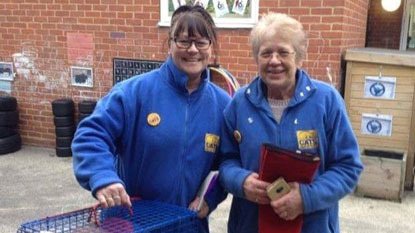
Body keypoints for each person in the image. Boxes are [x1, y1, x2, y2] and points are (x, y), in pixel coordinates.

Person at [72, 5, 231, 232]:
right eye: (184, 41)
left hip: (188, 224)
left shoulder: (222, 105)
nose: (193, 49)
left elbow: (228, 162)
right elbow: (91, 135)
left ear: (211, 47)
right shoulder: (133, 93)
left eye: (201, 42)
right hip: (131, 223)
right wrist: (103, 177)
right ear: (170, 44)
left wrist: (210, 198)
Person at [219, 13, 363, 233]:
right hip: (250, 225)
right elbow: (225, 160)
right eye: (266, 53)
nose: (274, 61)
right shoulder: (240, 103)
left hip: (312, 226)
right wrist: (241, 181)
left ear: (299, 56)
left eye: (283, 52)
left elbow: (348, 167)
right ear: (257, 58)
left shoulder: (326, 100)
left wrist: (306, 198)